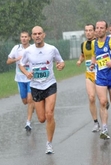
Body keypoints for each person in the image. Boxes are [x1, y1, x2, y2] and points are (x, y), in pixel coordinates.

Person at [19, 26, 65, 154]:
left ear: (43, 35)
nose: (37, 36)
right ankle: (47, 127)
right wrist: (26, 73)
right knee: (41, 119)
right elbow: (21, 65)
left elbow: (61, 62)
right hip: (36, 87)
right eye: (35, 34)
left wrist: (61, 65)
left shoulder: (51, 49)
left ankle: (49, 144)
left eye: (40, 33)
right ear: (32, 36)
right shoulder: (28, 51)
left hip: (50, 84)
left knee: (49, 113)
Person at [7, 30, 35, 131]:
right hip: (20, 78)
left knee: (30, 99)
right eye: (22, 37)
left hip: (30, 78)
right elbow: (8, 61)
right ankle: (34, 106)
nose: (23, 38)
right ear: (20, 38)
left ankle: (28, 123)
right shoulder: (16, 48)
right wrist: (16, 59)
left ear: (29, 38)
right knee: (25, 101)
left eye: (25, 37)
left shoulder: (33, 48)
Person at [76, 24, 101, 132]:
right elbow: (83, 55)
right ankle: (96, 122)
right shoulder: (83, 44)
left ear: (95, 31)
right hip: (89, 73)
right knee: (91, 97)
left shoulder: (100, 43)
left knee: (102, 100)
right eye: (86, 30)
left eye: (90, 30)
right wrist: (79, 60)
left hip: (101, 73)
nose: (88, 32)